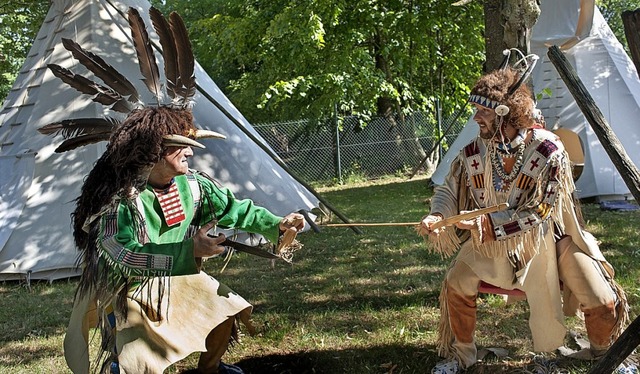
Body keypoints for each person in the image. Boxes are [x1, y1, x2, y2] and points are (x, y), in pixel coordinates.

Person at [38, 7, 304, 373]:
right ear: (152, 154)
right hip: (132, 292)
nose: (190, 152)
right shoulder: (120, 202)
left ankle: (210, 370)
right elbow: (122, 255)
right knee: (137, 357)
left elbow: (237, 210)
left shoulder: (192, 186)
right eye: (180, 147)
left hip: (180, 276)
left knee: (225, 314)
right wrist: (187, 249)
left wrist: (278, 223)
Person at [419, 51, 630, 374]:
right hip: (491, 245)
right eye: (476, 110)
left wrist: (489, 223)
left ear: (506, 115)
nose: (476, 119)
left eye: (483, 112)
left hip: (553, 242)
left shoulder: (548, 150)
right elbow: (449, 189)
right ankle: (461, 357)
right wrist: (438, 214)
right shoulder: (474, 152)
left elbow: (540, 211)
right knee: (455, 285)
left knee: (602, 299)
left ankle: (606, 357)